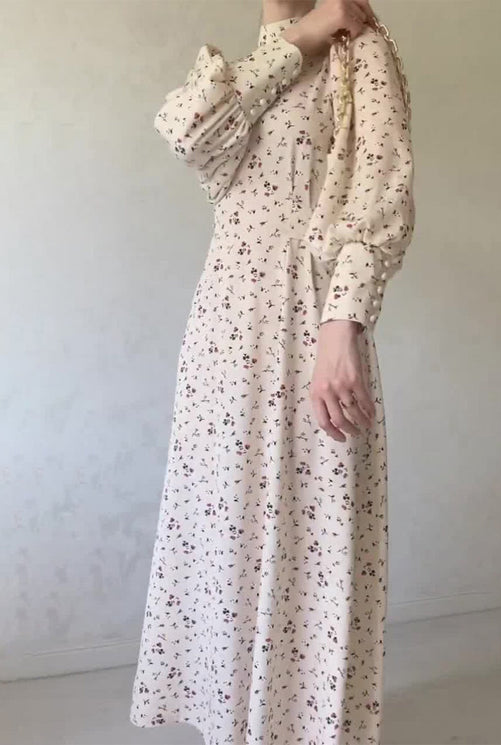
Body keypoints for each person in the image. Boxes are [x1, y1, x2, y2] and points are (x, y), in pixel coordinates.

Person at [130, 0, 415, 743]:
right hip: (224, 331)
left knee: (313, 526)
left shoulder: (361, 53)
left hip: (308, 321)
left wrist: (341, 327)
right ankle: (234, 721)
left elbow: (379, 194)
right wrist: (301, 37)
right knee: (226, 524)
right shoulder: (244, 68)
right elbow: (187, 132)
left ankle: (305, 720)